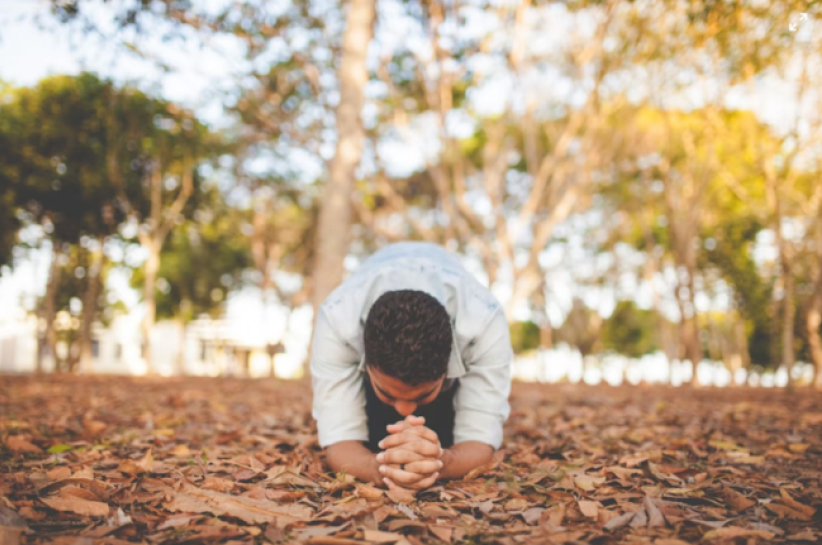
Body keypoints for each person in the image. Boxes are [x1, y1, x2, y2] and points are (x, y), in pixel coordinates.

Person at [311, 242, 513, 494]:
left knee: (443, 432)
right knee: (376, 434)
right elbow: (339, 440)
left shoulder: (483, 321)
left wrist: (440, 462)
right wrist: (380, 467)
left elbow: (480, 440)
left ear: (448, 366)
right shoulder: (338, 319)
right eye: (388, 393)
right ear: (366, 360)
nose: (404, 410)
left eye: (422, 395)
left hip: (449, 389)